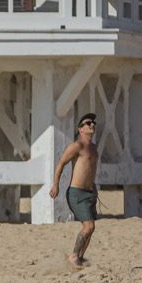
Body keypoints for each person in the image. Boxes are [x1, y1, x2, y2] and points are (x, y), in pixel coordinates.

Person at [48, 113, 100, 270]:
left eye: (93, 123)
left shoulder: (94, 148)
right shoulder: (77, 145)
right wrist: (55, 185)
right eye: (88, 123)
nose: (92, 125)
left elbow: (89, 170)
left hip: (90, 192)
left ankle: (80, 258)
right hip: (76, 193)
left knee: (92, 228)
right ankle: (74, 256)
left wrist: (94, 189)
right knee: (88, 226)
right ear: (80, 129)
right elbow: (61, 163)